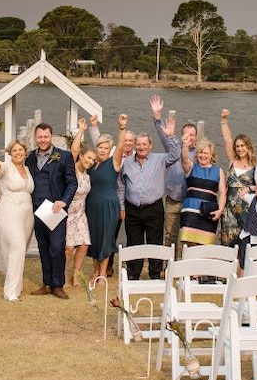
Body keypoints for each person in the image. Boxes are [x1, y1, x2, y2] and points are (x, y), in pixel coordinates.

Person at [119, 96, 180, 280]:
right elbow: (121, 185)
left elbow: (175, 153)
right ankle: (133, 275)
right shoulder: (127, 163)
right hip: (132, 209)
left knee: (155, 242)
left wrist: (169, 134)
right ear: (135, 146)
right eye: (138, 144)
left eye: (145, 144)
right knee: (134, 243)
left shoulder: (160, 159)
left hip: (154, 208)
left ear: (150, 146)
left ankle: (155, 274)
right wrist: (122, 206)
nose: (141, 147)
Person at [26, 123, 78, 300]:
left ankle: (58, 284)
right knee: (43, 247)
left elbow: (72, 182)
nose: (42, 140)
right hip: (37, 209)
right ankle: (47, 283)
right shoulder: (30, 158)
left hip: (55, 210)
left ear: (51, 136)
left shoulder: (63, 156)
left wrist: (64, 201)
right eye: (39, 137)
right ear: (35, 137)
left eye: (45, 137)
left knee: (56, 247)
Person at [73, 114, 128, 282]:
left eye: (106, 148)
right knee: (94, 239)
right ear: (96, 148)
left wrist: (122, 127)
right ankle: (96, 271)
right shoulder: (90, 164)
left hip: (108, 206)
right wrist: (83, 130)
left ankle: (103, 274)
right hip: (91, 206)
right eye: (100, 147)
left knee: (105, 239)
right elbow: (75, 155)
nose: (102, 150)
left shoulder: (114, 162)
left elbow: (120, 145)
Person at [0, 138, 34, 302]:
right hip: (9, 211)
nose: (18, 153)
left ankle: (16, 287)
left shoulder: (27, 169)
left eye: (21, 150)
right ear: (10, 153)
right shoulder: (5, 167)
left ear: (25, 152)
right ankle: (10, 292)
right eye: (15, 150)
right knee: (17, 246)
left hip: (27, 213)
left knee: (20, 251)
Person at [153, 104, 197, 259]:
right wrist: (157, 115)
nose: (189, 138)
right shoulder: (174, 147)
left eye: (192, 135)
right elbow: (161, 133)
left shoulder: (200, 153)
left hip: (191, 201)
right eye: (186, 134)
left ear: (196, 137)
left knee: (188, 238)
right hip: (172, 199)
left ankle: (185, 267)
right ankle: (169, 266)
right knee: (170, 236)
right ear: (181, 135)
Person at [218, 109, 257, 248]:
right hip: (229, 211)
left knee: (245, 247)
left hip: (247, 210)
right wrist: (224, 120)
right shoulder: (232, 162)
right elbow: (227, 139)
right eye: (237, 146)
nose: (240, 149)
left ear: (248, 147)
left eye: (242, 146)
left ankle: (243, 270)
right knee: (227, 245)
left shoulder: (256, 166)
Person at [179, 138, 226, 246]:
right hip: (190, 213)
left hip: (209, 214)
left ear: (211, 155)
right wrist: (185, 145)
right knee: (188, 247)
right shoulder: (191, 167)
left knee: (205, 248)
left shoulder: (219, 171)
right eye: (200, 152)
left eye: (206, 153)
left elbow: (223, 192)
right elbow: (184, 157)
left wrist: (220, 210)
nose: (203, 155)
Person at [65, 143, 93, 287]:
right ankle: (62, 275)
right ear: (81, 156)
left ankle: (76, 275)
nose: (90, 161)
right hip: (68, 213)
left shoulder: (87, 176)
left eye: (93, 160)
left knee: (83, 244)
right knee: (69, 248)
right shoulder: (71, 171)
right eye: (88, 157)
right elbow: (72, 152)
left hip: (81, 214)